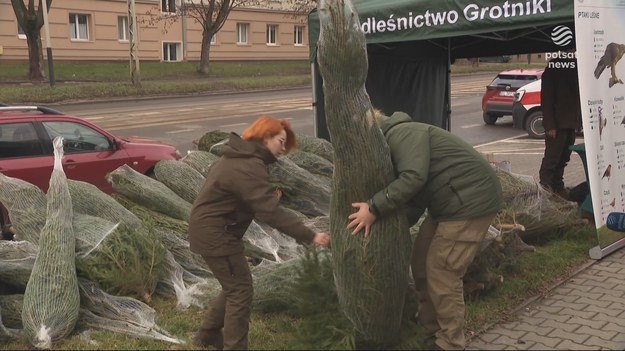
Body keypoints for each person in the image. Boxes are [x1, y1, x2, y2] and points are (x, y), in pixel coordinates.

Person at [347, 111, 503, 351]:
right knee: (420, 262)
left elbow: (413, 179)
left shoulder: (401, 135)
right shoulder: (395, 142)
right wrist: (390, 230)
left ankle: (450, 342)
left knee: (442, 270)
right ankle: (433, 332)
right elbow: (415, 199)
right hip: (448, 205)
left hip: (469, 202)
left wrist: (374, 208)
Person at [188, 116, 331, 350]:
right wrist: (310, 235)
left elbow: (238, 198)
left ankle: (207, 335)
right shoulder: (249, 165)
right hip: (216, 234)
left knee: (234, 286)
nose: (283, 149)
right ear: (266, 138)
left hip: (213, 230)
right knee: (240, 291)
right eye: (281, 141)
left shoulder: (241, 158)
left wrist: (262, 202)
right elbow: (270, 213)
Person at [539, 52, 582, 197]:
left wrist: (579, 121)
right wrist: (550, 125)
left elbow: (578, 96)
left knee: (564, 158)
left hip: (570, 123)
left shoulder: (576, 66)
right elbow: (546, 99)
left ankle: (558, 188)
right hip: (557, 124)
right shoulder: (553, 67)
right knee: (552, 159)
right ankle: (546, 190)